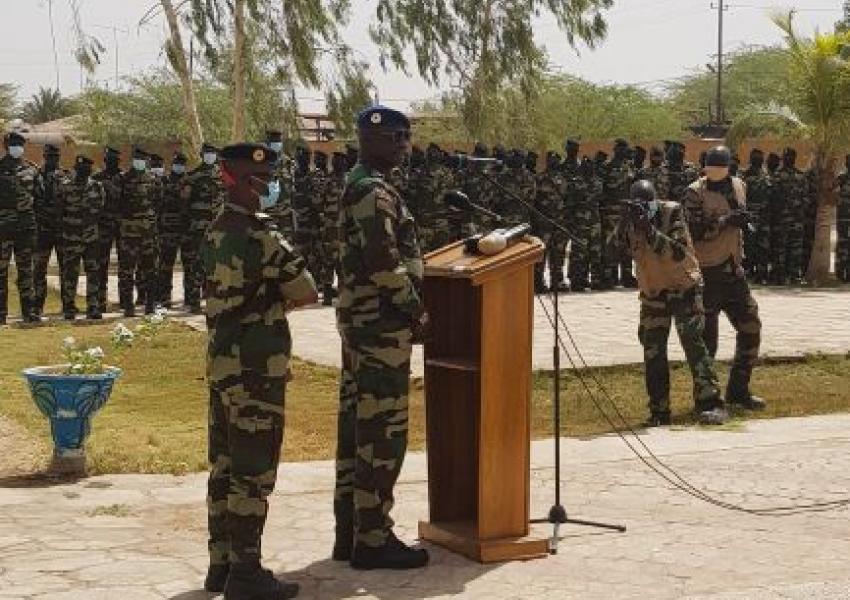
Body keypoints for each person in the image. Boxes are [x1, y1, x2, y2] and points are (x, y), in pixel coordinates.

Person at [202, 142, 316, 600]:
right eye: (262, 182)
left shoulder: (215, 229)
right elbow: (306, 290)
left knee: (224, 468)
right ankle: (246, 574)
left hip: (222, 362)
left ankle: (222, 565)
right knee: (253, 472)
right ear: (240, 181)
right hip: (256, 367)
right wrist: (274, 301)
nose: (268, 189)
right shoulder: (262, 236)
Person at [333, 105, 429, 570]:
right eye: (396, 138)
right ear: (371, 141)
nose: (404, 147)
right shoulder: (372, 191)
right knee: (382, 431)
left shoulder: (363, 184)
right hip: (380, 326)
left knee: (357, 425)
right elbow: (384, 262)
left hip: (364, 323)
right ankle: (372, 538)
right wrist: (415, 309)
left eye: (405, 138)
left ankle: (349, 533)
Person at [614, 180, 727, 426]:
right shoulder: (631, 223)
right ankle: (659, 410)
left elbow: (678, 252)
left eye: (646, 204)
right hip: (654, 292)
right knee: (653, 350)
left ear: (655, 201)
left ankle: (711, 403)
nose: (643, 209)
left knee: (694, 344)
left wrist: (649, 229)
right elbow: (613, 252)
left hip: (683, 287)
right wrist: (623, 223)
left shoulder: (672, 212)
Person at [683, 146, 766, 413]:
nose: (717, 174)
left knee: (751, 327)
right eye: (712, 170)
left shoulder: (740, 185)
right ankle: (706, 400)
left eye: (721, 169)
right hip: (707, 273)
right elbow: (692, 232)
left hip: (733, 270)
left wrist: (742, 221)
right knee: (708, 341)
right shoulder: (695, 192)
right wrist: (724, 221)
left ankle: (738, 391)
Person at [0, 131, 38, 324]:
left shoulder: (32, 170)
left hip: (25, 228)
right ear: (6, 147)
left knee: (26, 271)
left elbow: (39, 198)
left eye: (20, 145)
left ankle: (29, 312)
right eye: (14, 145)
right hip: (3, 229)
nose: (17, 148)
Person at [60, 155, 104, 319]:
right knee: (70, 273)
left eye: (86, 168)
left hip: (91, 237)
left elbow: (101, 208)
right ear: (76, 169)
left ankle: (93, 306)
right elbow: (60, 210)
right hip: (71, 237)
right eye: (80, 168)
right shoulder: (65, 186)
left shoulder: (97, 187)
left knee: (93, 272)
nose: (83, 171)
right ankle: (69, 307)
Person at [185, 143, 225, 313]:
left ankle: (217, 301)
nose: (210, 156)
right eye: (207, 153)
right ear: (202, 155)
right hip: (199, 228)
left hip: (219, 227)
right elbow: (185, 204)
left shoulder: (224, 176)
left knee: (218, 266)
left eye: (213, 153)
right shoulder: (192, 176)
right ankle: (194, 302)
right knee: (197, 264)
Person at [117, 147, 156, 316]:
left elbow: (158, 201)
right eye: (137, 158)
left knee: (150, 269)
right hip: (129, 233)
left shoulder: (153, 179)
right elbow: (117, 203)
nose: (140, 162)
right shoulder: (123, 179)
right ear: (133, 160)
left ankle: (150, 304)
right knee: (127, 270)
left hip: (148, 232)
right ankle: (128, 306)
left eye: (143, 159)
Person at [32, 143, 66, 317]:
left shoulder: (66, 176)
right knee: (39, 270)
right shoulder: (35, 176)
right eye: (50, 156)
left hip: (61, 231)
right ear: (44, 156)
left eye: (56, 157)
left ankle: (68, 305)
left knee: (66, 269)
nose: (53, 159)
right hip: (42, 231)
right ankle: (37, 306)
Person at [92, 146, 123, 314]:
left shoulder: (124, 178)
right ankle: (100, 301)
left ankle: (124, 301)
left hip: (122, 227)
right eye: (109, 160)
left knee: (125, 265)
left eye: (115, 160)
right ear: (105, 161)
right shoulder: (96, 179)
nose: (112, 163)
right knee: (101, 265)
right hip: (103, 227)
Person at [156, 152, 190, 307]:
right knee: (165, 265)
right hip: (167, 230)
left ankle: (190, 298)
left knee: (189, 265)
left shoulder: (190, 181)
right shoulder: (164, 181)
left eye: (181, 164)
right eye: (177, 164)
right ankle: (164, 297)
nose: (179, 166)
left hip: (186, 229)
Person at [836, 155, 850, 283]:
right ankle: (840, 273)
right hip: (843, 217)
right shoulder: (842, 177)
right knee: (842, 243)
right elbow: (831, 189)